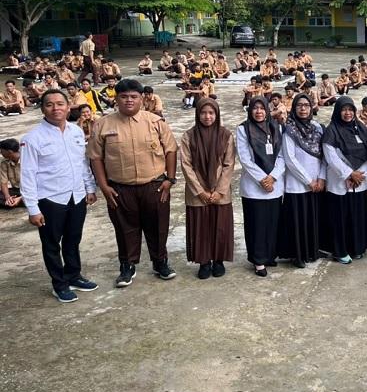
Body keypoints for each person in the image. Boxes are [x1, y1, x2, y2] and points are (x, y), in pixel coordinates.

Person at [87, 79, 178, 287]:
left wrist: (170, 179)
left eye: (133, 97)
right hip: (119, 188)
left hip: (154, 186)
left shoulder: (155, 121)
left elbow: (171, 149)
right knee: (124, 227)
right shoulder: (103, 124)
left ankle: (160, 262)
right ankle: (127, 266)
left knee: (158, 226)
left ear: (141, 99)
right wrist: (104, 186)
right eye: (124, 96)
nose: (129, 100)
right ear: (116, 99)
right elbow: (96, 158)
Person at [20, 89, 98, 302]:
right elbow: (27, 174)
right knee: (52, 244)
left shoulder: (75, 131)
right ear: (42, 108)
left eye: (60, 104)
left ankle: (73, 275)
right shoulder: (33, 138)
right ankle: (59, 284)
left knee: (73, 239)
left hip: (77, 195)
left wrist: (89, 188)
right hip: (50, 199)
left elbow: (82, 163)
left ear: (68, 106)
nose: (56, 108)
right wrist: (33, 208)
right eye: (49, 104)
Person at [180, 99, 235, 279]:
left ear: (217, 114)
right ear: (198, 114)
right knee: (201, 226)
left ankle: (218, 260)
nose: (207, 116)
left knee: (220, 226)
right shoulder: (189, 136)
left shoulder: (226, 135)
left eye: (211, 113)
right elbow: (186, 165)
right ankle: (204, 262)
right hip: (197, 191)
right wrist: (200, 191)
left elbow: (229, 164)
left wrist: (219, 190)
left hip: (220, 190)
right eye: (203, 113)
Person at [237, 96, 285, 277]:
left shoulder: (276, 128)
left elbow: (282, 156)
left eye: (262, 108)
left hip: (274, 186)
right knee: (256, 224)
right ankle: (258, 260)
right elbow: (244, 159)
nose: (259, 112)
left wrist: (272, 177)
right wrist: (262, 179)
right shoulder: (243, 129)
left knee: (272, 222)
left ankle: (270, 254)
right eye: (255, 108)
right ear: (250, 110)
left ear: (267, 109)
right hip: (253, 186)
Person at [322, 96, 367, 263]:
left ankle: (357, 247)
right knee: (340, 218)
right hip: (340, 182)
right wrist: (350, 174)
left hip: (359, 182)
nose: (348, 113)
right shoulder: (332, 130)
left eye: (350, 109)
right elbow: (331, 157)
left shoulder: (362, 128)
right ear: (338, 111)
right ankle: (340, 250)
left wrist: (360, 174)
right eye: (344, 109)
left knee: (357, 216)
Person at [278, 94, 326, 268]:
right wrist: (308, 181)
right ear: (294, 108)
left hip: (316, 184)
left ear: (312, 107)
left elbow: (324, 156)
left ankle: (312, 250)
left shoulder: (318, 127)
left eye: (306, 105)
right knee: (298, 221)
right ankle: (297, 254)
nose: (303, 109)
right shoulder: (289, 129)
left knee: (313, 219)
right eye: (299, 105)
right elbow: (290, 159)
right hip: (298, 184)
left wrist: (321, 178)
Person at [0, 138, 23, 209]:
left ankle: (20, 200)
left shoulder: (27, 159)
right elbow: (3, 182)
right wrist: (7, 197)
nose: (1, 153)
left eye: (1, 151)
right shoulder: (4, 163)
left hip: (32, 190)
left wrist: (22, 197)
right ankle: (14, 201)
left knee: (43, 196)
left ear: (9, 152)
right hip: (16, 191)